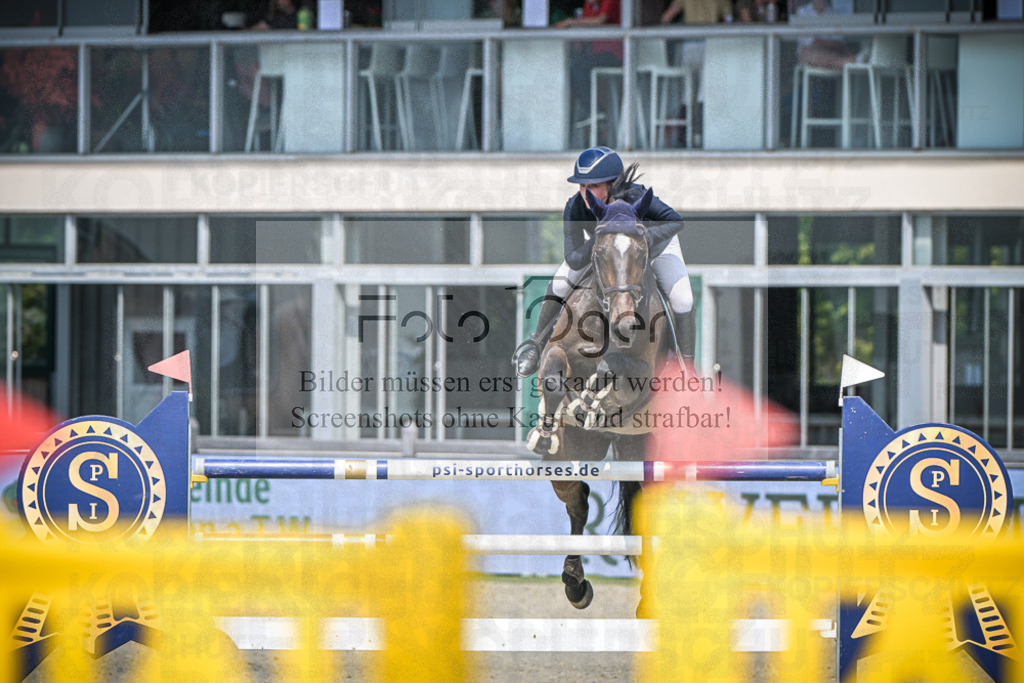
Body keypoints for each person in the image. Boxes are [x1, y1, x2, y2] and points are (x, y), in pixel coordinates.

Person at [512, 146, 696, 377]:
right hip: (606, 248)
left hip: (655, 244)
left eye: (594, 186)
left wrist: (645, 237)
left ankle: (686, 368)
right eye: (582, 186)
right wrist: (601, 241)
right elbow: (574, 259)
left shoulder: (635, 195)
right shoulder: (575, 207)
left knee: (682, 298)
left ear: (612, 184)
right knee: (559, 283)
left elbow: (675, 221)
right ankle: (535, 346)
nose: (585, 193)